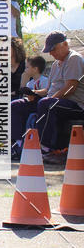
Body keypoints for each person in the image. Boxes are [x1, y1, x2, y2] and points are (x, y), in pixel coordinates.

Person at [30, 33, 84, 163]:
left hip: (76, 104)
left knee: (46, 104)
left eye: (53, 49)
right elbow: (47, 90)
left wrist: (50, 100)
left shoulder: (74, 59)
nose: (51, 53)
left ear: (65, 44)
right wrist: (34, 93)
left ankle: (46, 148)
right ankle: (19, 144)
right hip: (55, 101)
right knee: (18, 105)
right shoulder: (55, 64)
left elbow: (70, 88)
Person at [10, 54, 48, 157]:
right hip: (30, 103)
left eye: (27, 67)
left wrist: (35, 92)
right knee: (14, 105)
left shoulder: (44, 80)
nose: (25, 69)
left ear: (35, 69)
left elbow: (46, 92)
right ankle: (17, 141)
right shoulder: (30, 83)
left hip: (39, 104)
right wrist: (28, 95)